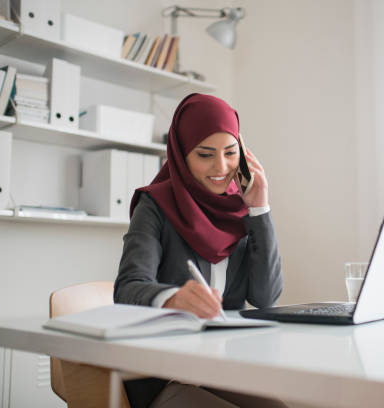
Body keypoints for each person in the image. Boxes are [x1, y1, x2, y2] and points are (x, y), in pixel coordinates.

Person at [114, 93, 285, 408]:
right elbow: (128, 287)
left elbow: (265, 298)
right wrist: (173, 299)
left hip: (220, 367)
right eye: (205, 154)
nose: (221, 167)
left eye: (231, 152)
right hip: (160, 374)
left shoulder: (241, 208)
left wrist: (260, 210)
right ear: (181, 155)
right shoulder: (155, 205)